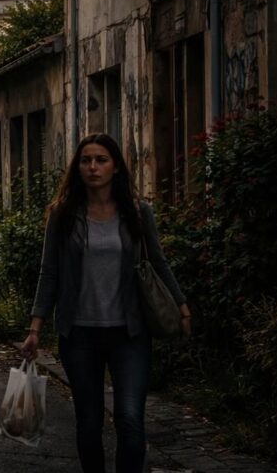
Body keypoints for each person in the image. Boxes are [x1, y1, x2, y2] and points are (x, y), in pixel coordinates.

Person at [20, 133, 191, 473]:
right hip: (79, 334)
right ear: (77, 168)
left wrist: (182, 306)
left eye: (101, 160)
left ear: (115, 167)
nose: (93, 167)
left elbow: (158, 262)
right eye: (86, 161)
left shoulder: (137, 213)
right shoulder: (62, 215)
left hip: (130, 333)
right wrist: (35, 328)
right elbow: (49, 272)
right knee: (89, 421)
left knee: (129, 419)